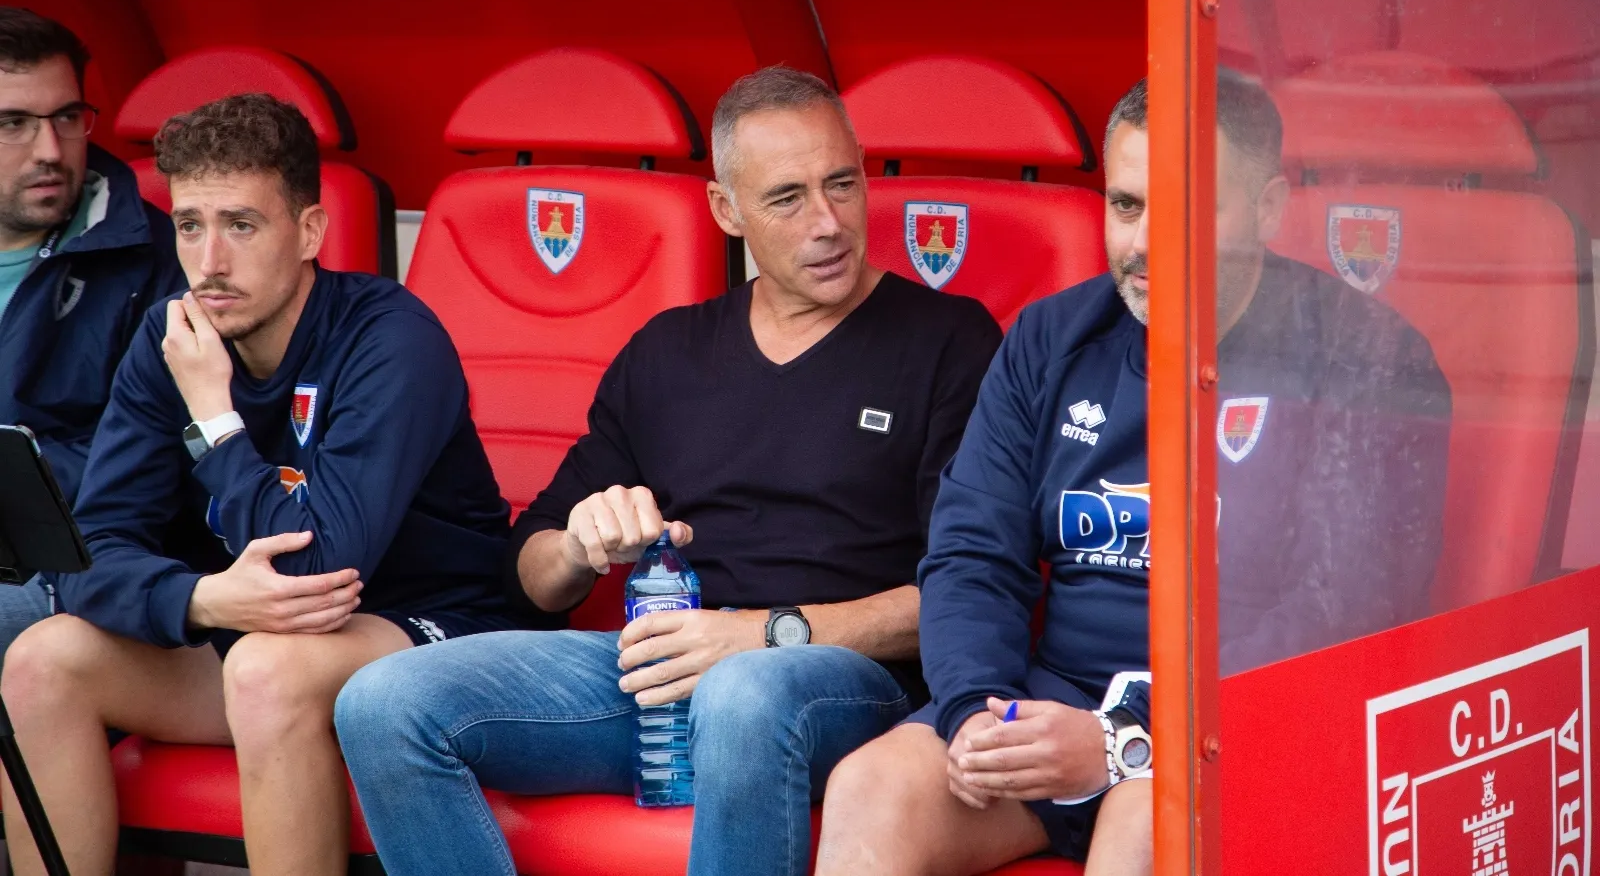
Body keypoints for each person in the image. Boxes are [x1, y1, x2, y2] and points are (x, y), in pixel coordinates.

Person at [333, 66, 1003, 876]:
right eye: (787, 199)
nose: (828, 223)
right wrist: (579, 546)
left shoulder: (949, 340)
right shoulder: (668, 351)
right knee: (382, 702)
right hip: (665, 666)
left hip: (843, 681)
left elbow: (964, 594)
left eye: (842, 185)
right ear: (727, 210)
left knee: (743, 694)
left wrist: (757, 635)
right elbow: (528, 577)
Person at [815, 71, 1450, 875]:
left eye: (1182, 207)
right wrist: (976, 710)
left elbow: (1342, 608)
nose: (1145, 242)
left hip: (1242, 727)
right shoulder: (1053, 338)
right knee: (870, 788)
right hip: (1057, 706)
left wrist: (1127, 735)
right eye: (1125, 205)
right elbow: (973, 551)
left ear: (1267, 210)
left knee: (1143, 821)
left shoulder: (1366, 360)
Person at [0, 93, 539, 876]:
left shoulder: (391, 337)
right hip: (253, 626)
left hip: (431, 628)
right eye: (190, 226)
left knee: (265, 669)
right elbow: (89, 558)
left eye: (242, 226)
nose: (210, 262)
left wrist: (215, 419)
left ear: (310, 232)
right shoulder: (170, 335)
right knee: (42, 660)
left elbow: (318, 569)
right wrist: (202, 600)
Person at [0, 9, 185, 659]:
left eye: (67, 117)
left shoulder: (156, 259)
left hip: (68, 563)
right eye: (14, 123)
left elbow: (153, 454)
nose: (51, 151)